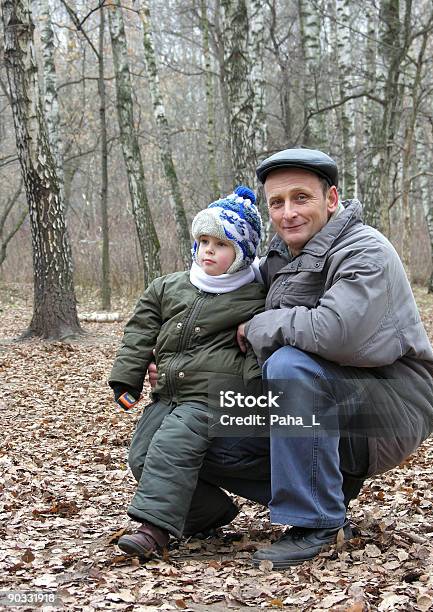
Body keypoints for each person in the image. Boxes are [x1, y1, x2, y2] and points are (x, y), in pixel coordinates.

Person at [149, 148, 433, 569]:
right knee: (196, 417)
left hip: (391, 405)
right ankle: (205, 512)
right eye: (277, 203)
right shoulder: (279, 260)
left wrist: (263, 325)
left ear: (331, 199)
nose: (288, 213)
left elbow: (339, 332)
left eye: (301, 198)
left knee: (288, 365)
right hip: (318, 404)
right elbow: (218, 299)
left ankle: (318, 522)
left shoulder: (365, 250)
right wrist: (176, 363)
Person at [109, 186, 266, 560]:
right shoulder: (169, 286)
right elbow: (140, 332)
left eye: (222, 244)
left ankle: (154, 530)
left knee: (171, 447)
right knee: (142, 457)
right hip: (167, 390)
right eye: (204, 241)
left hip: (212, 395)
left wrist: (253, 391)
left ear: (242, 254)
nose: (209, 250)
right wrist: (126, 377)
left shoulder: (253, 297)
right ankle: (209, 512)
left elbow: (260, 343)